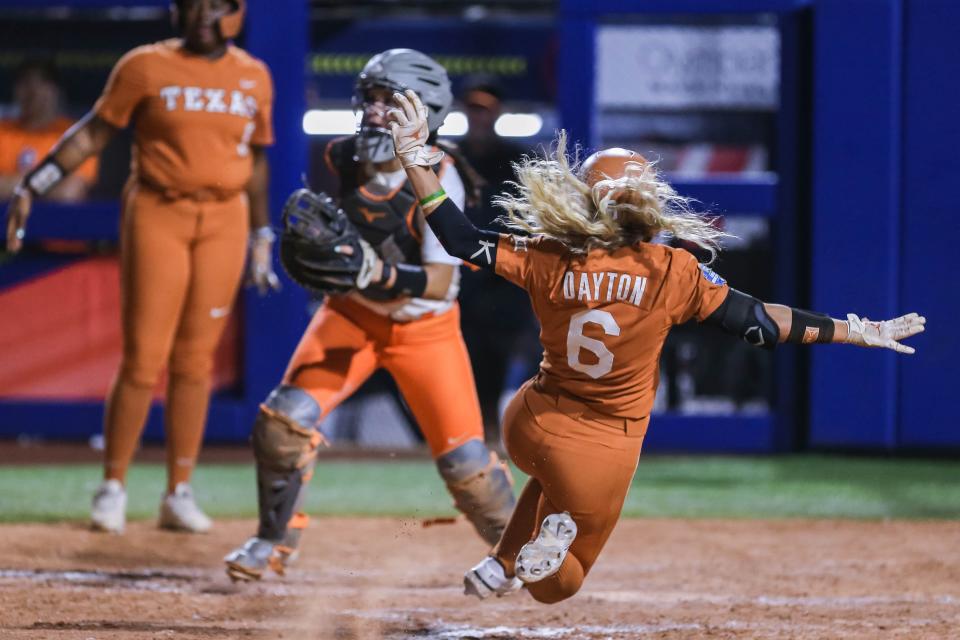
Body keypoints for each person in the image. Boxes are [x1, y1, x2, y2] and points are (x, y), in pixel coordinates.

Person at [386, 89, 926, 603]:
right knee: (559, 584)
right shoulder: (671, 270)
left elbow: (459, 239)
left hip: (529, 420)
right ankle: (540, 558)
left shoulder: (550, 254)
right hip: (601, 446)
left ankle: (502, 562)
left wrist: (414, 158)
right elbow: (759, 323)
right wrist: (854, 329)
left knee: (545, 473)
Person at [222, 49, 515, 582]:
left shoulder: (438, 176)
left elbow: (442, 280)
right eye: (371, 99)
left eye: (391, 100)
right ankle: (273, 540)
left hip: (425, 327)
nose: (375, 111)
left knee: (467, 467)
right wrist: (350, 271)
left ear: (425, 112)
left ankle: (517, 553)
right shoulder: (343, 157)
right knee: (281, 424)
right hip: (353, 316)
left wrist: (371, 272)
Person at [4, 0, 280, 534]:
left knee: (196, 360)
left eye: (215, 4)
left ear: (235, 11)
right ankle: (114, 484)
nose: (204, 14)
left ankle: (179, 490)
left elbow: (258, 158)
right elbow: (92, 132)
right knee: (143, 356)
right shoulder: (145, 65)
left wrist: (262, 234)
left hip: (225, 216)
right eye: (194, 4)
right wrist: (32, 184)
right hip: (158, 209)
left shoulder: (254, 75)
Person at [456, 77, 540, 433]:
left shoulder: (520, 161)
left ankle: (502, 434)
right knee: (464, 368)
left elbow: (535, 221)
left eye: (485, 110)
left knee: (511, 367)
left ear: (497, 113)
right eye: (473, 109)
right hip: (461, 282)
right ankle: (470, 434)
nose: (479, 117)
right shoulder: (448, 157)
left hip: (505, 281)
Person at [0, 57, 97, 202]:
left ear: (55, 90)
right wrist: (48, 186)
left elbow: (70, 192)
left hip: (58, 222)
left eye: (42, 82)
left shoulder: (76, 133)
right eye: (25, 82)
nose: (33, 91)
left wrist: (13, 183)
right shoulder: (3, 130)